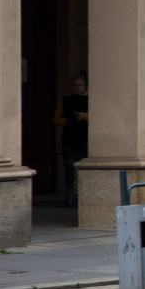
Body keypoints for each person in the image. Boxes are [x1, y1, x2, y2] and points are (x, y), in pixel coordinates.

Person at [55, 74, 88, 205]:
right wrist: (66, 121)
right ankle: (69, 193)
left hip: (85, 136)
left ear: (85, 86)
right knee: (68, 164)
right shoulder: (66, 100)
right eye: (74, 85)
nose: (77, 88)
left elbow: (99, 115)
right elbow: (56, 118)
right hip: (70, 135)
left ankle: (84, 193)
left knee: (84, 165)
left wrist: (84, 116)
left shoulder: (90, 99)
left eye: (80, 85)